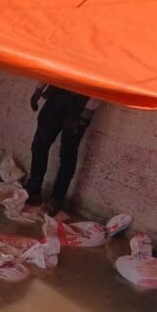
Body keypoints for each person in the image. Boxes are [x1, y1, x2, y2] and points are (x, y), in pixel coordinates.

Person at [25, 82, 100, 214]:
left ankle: (56, 199)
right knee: (39, 145)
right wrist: (39, 88)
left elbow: (103, 79)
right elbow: (56, 69)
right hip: (58, 93)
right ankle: (33, 191)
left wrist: (88, 110)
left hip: (81, 103)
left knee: (67, 153)